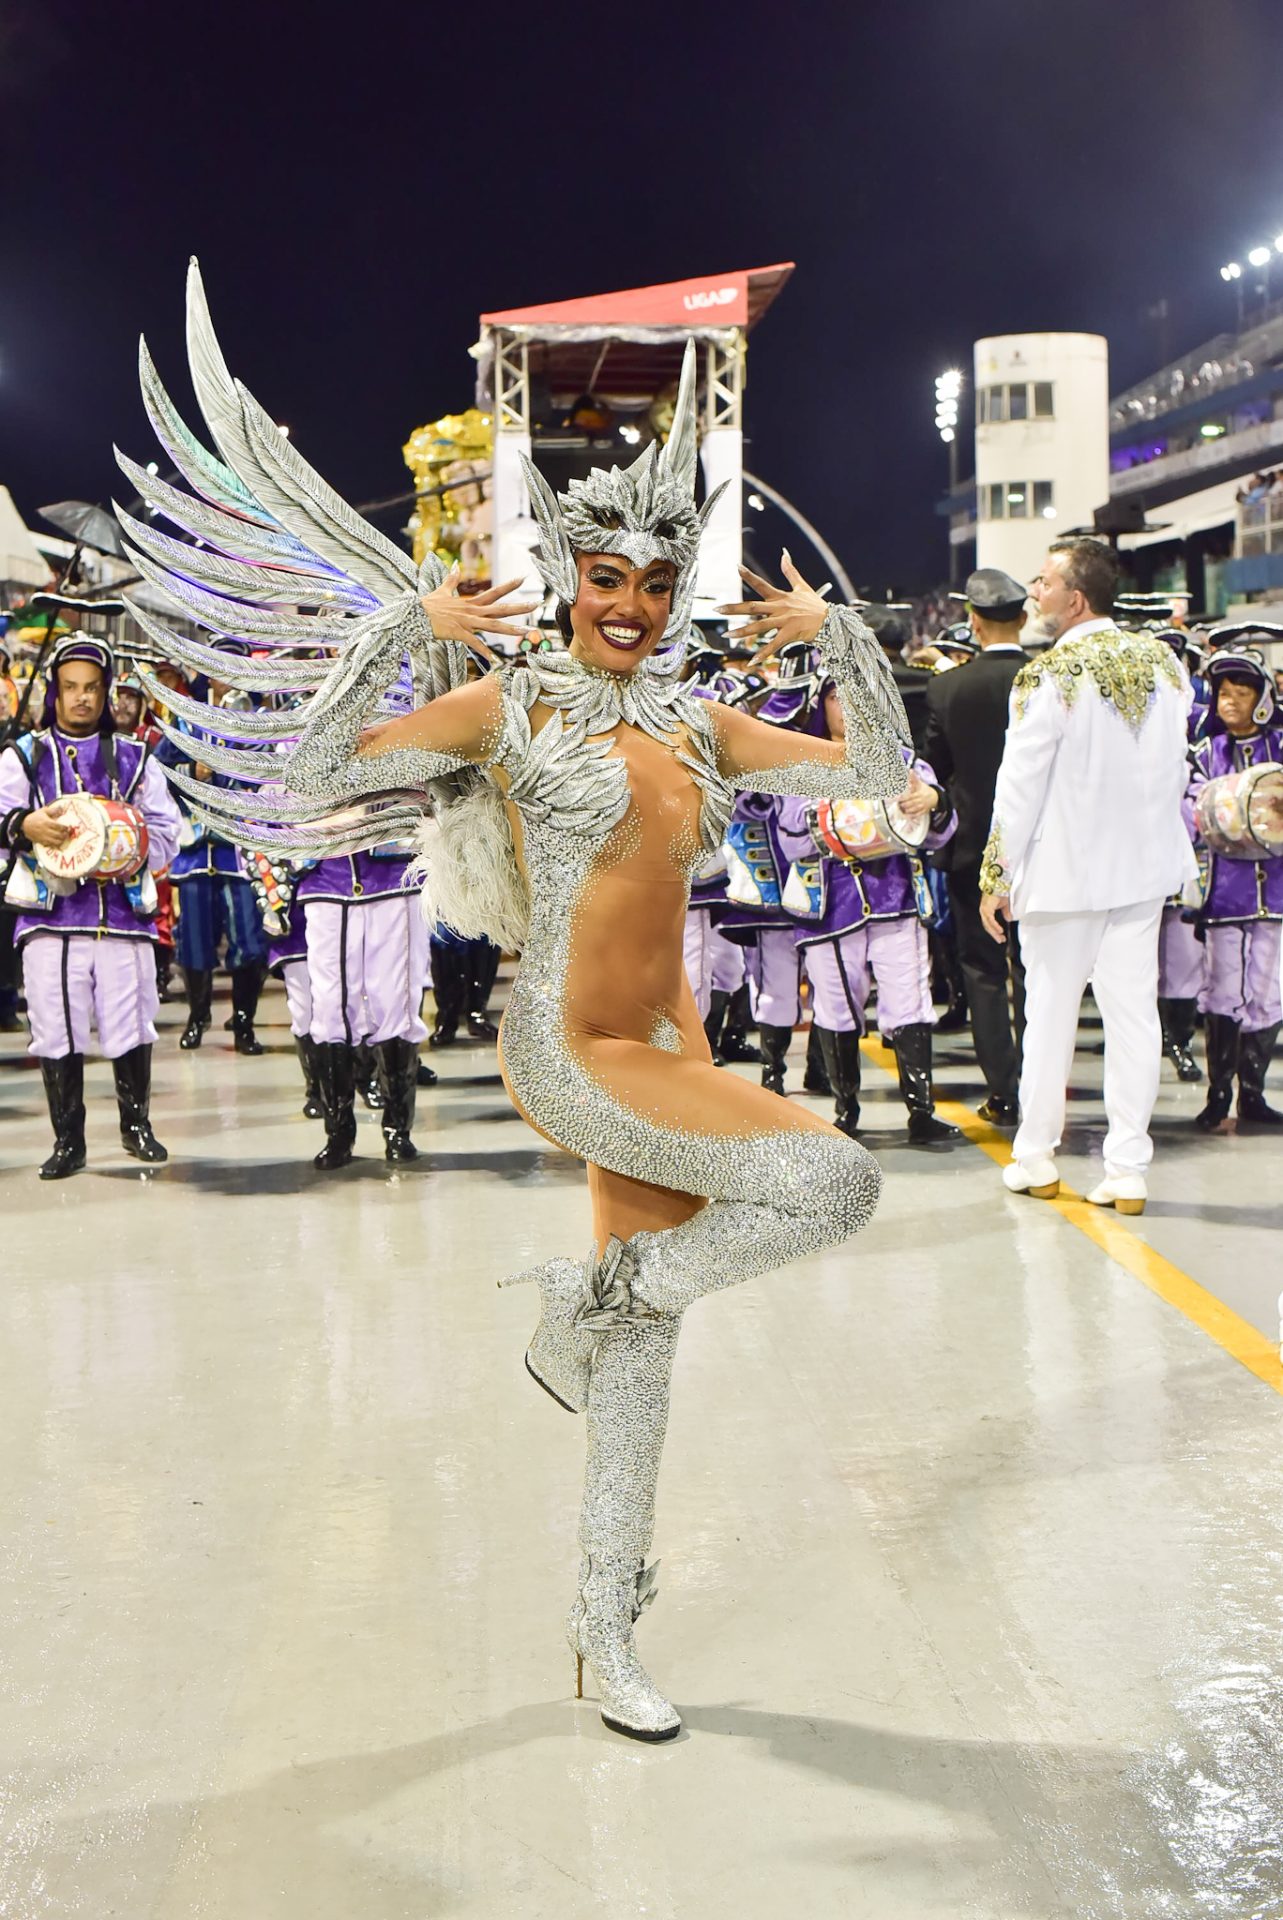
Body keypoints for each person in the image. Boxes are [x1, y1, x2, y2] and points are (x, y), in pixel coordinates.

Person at [122, 276, 909, 1745]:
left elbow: (870, 771)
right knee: (831, 1182)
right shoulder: (509, 706)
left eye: (654, 585)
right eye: (605, 578)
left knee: (643, 1371)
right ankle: (592, 1303)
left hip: (670, 1048)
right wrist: (402, 624)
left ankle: (603, 1638)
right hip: (571, 1048)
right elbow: (312, 775)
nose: (630, 607)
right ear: (565, 576)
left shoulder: (695, 723)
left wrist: (839, 631)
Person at [980, 539, 1195, 1215]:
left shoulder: (1046, 675)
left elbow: (1019, 786)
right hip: (1143, 872)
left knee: (1048, 1016)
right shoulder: (1167, 664)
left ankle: (1035, 1157)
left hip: (1064, 876)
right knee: (1134, 1018)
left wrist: (996, 874)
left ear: (1074, 600)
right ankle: (1127, 1169)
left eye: (1044, 582)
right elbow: (1175, 767)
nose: (1034, 592)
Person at [0, 636, 182, 1175]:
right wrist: (24, 826)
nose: (81, 698)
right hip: (50, 920)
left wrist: (128, 845)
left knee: (132, 1021)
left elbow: (168, 832)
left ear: (106, 694)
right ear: (54, 692)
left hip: (122, 918)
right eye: (71, 687)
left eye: (92, 688)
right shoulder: (24, 756)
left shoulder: (135, 758)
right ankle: (68, 1140)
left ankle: (137, 1126)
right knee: (55, 1025)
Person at [924, 567, 1030, 1125]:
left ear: (973, 622)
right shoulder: (1049, 678)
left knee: (984, 972)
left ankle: (1005, 1093)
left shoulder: (948, 688)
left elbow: (935, 770)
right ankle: (1039, 1085)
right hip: (1041, 848)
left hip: (974, 849)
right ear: (1025, 617)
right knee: (1039, 971)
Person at [1186, 643, 1283, 1128]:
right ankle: (1218, 1093)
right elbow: (1189, 808)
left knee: (1268, 989)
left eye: (1241, 693)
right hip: (1225, 893)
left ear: (1260, 699)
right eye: (1224, 692)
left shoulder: (1280, 747)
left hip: (1276, 892)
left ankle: (1254, 1094)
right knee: (1222, 989)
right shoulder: (1205, 754)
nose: (1230, 701)